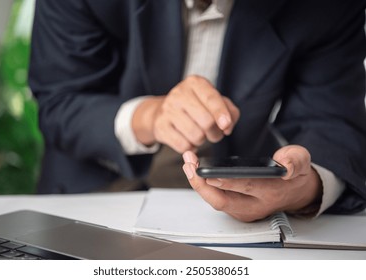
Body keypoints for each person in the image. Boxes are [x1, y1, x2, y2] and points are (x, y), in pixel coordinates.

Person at [28, 0, 366, 221]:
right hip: (87, 196)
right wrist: (149, 117)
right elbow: (61, 101)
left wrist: (303, 188)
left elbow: (332, 123)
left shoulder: (330, 8)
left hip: (226, 214)